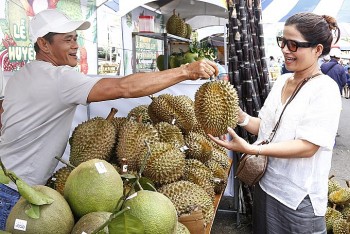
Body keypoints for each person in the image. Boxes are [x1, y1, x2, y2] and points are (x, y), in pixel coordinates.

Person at [0, 9, 218, 230]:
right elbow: (123, 87)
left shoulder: (21, 76)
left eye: (76, 38)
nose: (75, 45)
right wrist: (186, 71)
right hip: (15, 193)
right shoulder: (59, 78)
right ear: (44, 44)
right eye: (67, 40)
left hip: (9, 180)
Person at [209, 12, 342, 233]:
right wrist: (240, 116)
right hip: (266, 186)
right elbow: (266, 128)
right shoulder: (281, 81)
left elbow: (308, 146)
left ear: (317, 50)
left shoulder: (325, 89)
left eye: (293, 44)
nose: (285, 50)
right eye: (283, 42)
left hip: (297, 198)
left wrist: (252, 149)